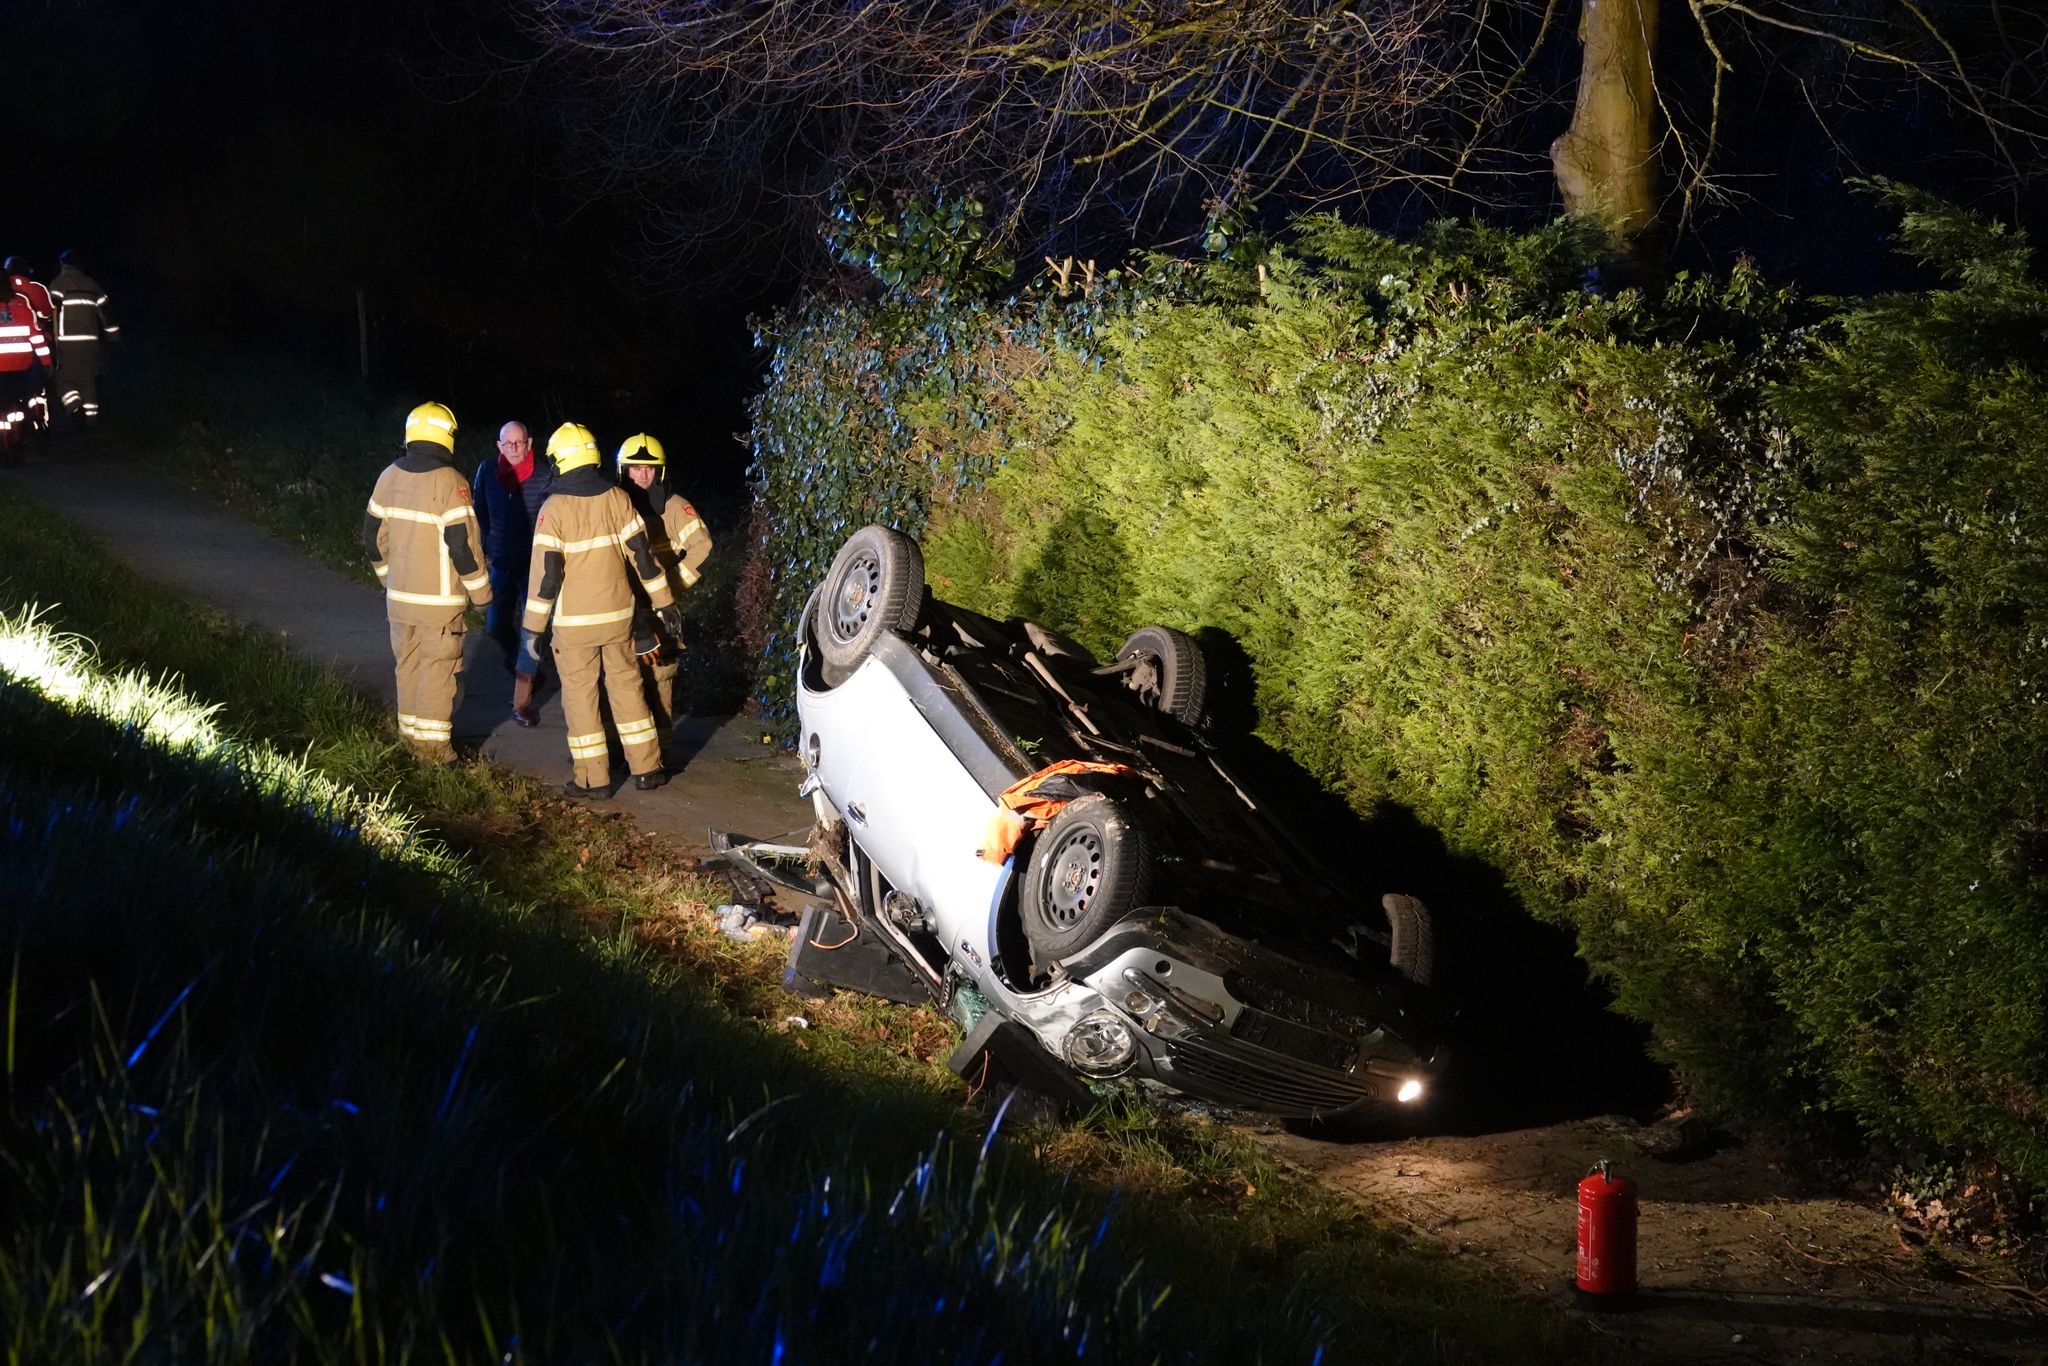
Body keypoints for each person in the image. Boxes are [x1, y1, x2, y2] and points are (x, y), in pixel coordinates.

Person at [522, 422, 681, 798]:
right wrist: (665, 602)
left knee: (581, 696)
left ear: (560, 460)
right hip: (618, 619)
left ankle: (594, 780)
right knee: (627, 688)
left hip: (574, 625)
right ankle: (647, 768)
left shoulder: (554, 508)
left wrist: (532, 629)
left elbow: (546, 579)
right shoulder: (617, 498)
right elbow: (643, 558)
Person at [364, 401, 492, 765]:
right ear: (447, 437)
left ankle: (410, 744)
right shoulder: (451, 483)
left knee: (408, 667)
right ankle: (436, 755)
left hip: (399, 602)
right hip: (439, 608)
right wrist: (482, 595)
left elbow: (372, 537)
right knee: (439, 673)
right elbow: (464, 548)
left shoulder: (388, 476)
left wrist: (391, 580)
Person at [615, 432, 712, 748]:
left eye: (650, 468)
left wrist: (669, 587)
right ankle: (619, 750)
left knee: (660, 678)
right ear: (623, 470)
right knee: (619, 678)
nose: (643, 475)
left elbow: (702, 546)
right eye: (636, 468)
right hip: (621, 607)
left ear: (660, 471)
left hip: (658, 609)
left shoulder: (673, 507)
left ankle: (661, 750)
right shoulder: (613, 505)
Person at [472, 420, 556, 726]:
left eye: (519, 443)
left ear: (530, 443)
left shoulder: (545, 475)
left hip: (534, 567)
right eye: (507, 444)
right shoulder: (487, 471)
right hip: (501, 562)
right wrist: (484, 544)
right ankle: (525, 667)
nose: (513, 449)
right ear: (499, 446)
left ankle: (523, 701)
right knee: (494, 625)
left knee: (531, 633)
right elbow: (478, 510)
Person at [48, 251, 119, 427]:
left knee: (63, 379)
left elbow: (51, 313)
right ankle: (91, 419)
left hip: (66, 342)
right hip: (91, 341)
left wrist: (49, 337)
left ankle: (74, 406)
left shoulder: (58, 284)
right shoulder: (92, 284)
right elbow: (106, 313)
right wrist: (112, 336)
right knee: (88, 379)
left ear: (63, 264)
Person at [0, 278, 53, 464]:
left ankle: (5, 448)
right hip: (21, 365)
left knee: (2, 410)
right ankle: (16, 444)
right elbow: (36, 335)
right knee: (16, 407)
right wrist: (46, 361)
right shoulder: (22, 302)